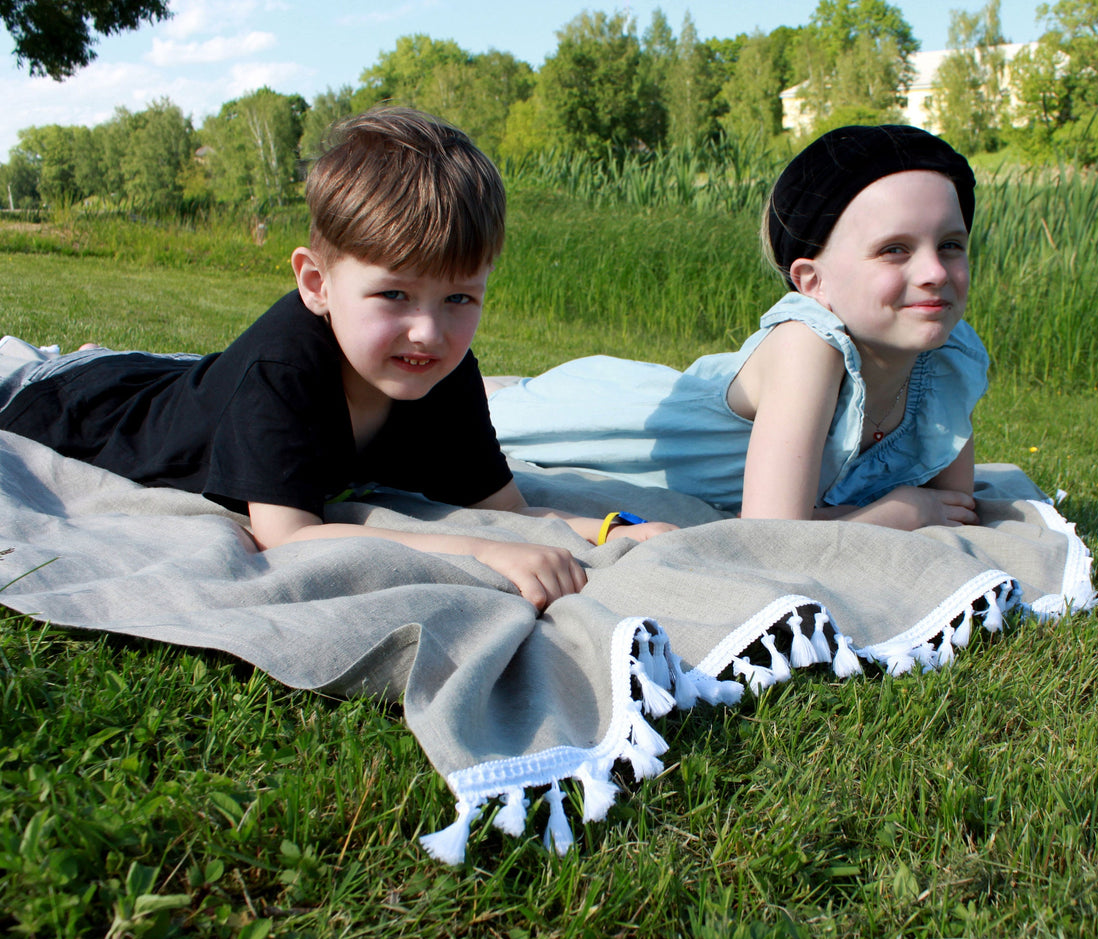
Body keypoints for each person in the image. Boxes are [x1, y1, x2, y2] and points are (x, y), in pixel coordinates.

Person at [0, 107, 671, 610]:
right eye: (394, 293)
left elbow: (507, 508)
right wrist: (482, 551)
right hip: (71, 405)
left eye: (460, 297)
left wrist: (616, 528)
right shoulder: (284, 369)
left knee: (193, 374)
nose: (428, 332)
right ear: (316, 283)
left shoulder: (444, 372)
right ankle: (73, 361)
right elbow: (288, 537)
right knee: (54, 377)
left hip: (194, 381)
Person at [487, 124, 987, 530]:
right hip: (629, 419)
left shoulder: (948, 351)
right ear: (813, 282)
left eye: (950, 244)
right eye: (894, 249)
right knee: (491, 413)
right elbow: (771, 534)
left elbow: (954, 504)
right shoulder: (809, 344)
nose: (935, 273)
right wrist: (894, 516)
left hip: (665, 388)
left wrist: (910, 509)